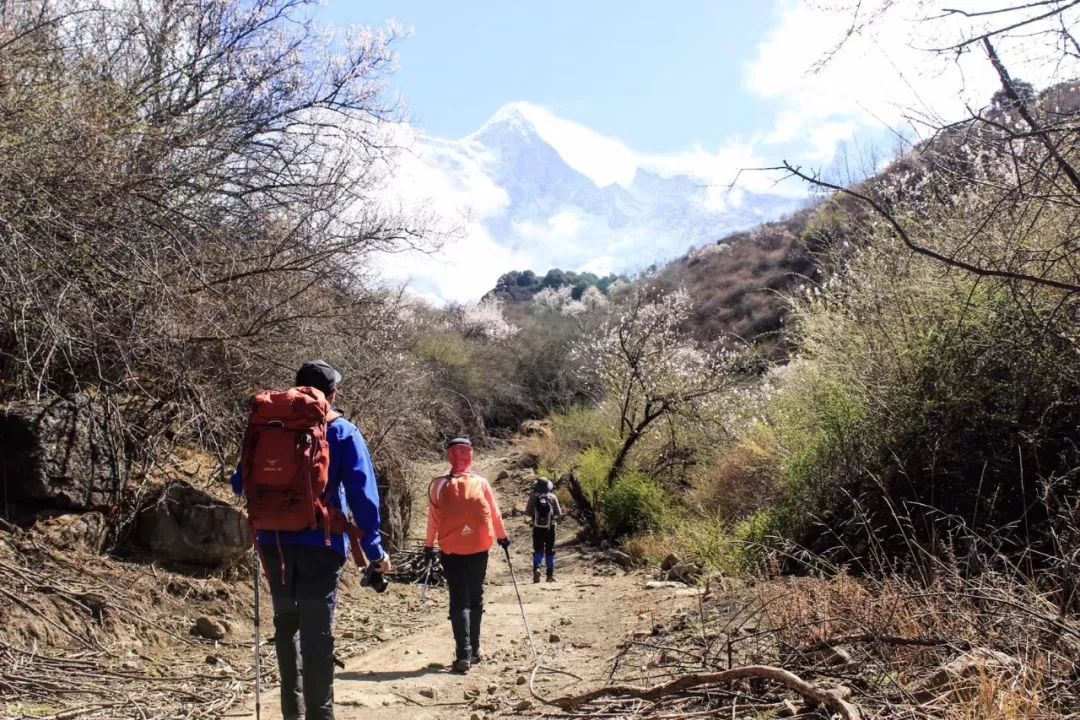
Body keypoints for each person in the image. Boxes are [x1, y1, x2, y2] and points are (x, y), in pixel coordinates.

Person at [232, 360, 390, 720]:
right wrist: (375, 551)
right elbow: (364, 497)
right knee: (318, 634)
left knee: (286, 627)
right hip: (322, 544)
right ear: (332, 394)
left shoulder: (268, 426)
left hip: (274, 543)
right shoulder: (343, 431)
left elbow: (240, 482)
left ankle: (294, 714)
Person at [423, 437, 509, 674]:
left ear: (450, 456)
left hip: (452, 549)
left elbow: (434, 520)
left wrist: (429, 546)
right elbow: (494, 513)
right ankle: (476, 649)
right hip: (479, 546)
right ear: (470, 455)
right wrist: (502, 537)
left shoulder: (439, 485)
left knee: (458, 599)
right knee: (476, 596)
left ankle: (463, 654)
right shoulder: (481, 483)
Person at [525, 477, 562, 583]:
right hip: (551, 527)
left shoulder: (533, 496)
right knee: (550, 550)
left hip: (537, 527)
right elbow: (558, 513)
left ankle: (537, 568)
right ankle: (550, 575)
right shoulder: (553, 497)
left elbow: (527, 513)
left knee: (538, 549)